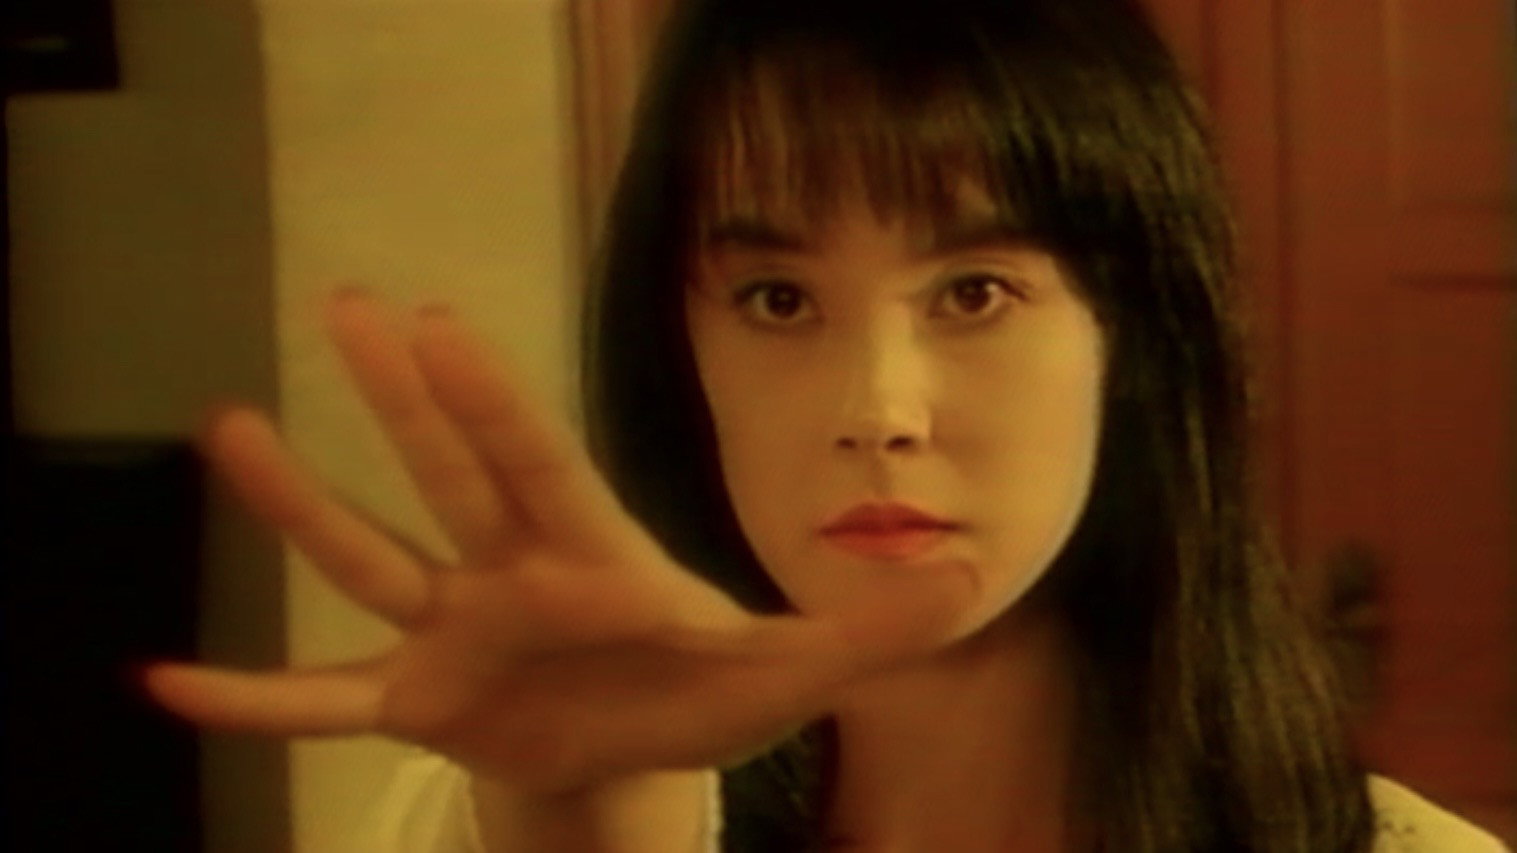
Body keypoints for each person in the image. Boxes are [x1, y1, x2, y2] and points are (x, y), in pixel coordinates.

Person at [144, 0, 1509, 850]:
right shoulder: (492, 820)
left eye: (973, 293)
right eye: (779, 299)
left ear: (1133, 336)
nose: (877, 411)